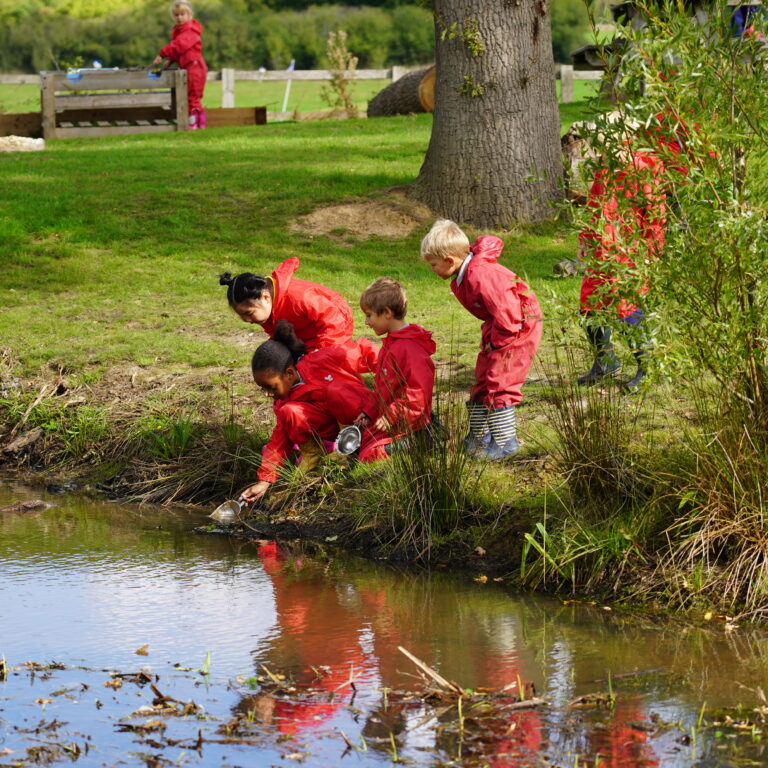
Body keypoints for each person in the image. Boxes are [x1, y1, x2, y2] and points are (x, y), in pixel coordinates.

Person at [421, 220, 542, 460]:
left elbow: (509, 314)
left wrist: (498, 342)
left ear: (449, 260)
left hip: (517, 328)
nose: (432, 270)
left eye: (433, 265)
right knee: (483, 379)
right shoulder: (465, 274)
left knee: (500, 382)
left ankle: (506, 442)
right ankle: (480, 434)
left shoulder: (480, 275)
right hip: (498, 326)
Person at [241, 320, 377, 503]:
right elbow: (278, 442)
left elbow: (363, 352)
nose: (267, 393)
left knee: (335, 390)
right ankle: (313, 456)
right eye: (262, 388)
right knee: (289, 412)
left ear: (289, 373)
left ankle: (351, 445)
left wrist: (393, 374)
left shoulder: (322, 360)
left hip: (363, 416)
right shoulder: (283, 402)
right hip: (332, 428)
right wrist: (264, 480)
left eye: (271, 387)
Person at [577, 147, 666, 392]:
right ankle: (605, 363)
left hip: (629, 251)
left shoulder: (641, 171)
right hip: (601, 251)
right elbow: (593, 208)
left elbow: (656, 215)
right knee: (589, 306)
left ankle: (646, 369)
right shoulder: (603, 171)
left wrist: (652, 252)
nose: (601, 153)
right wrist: (585, 240)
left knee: (627, 309)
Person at [344, 277, 436, 462]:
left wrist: (392, 416)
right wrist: (369, 412)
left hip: (408, 425)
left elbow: (418, 392)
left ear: (386, 313)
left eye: (369, 315)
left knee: (370, 455)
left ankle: (421, 442)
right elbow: (383, 387)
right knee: (362, 445)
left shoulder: (409, 348)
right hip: (393, 420)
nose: (366, 322)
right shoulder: (392, 343)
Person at [219, 257, 354, 352]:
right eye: (241, 316)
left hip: (336, 322)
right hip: (306, 329)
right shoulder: (265, 310)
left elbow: (332, 318)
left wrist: (323, 352)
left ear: (265, 297)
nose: (246, 320)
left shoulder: (298, 298)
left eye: (248, 313)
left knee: (322, 367)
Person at [151, 0, 208, 130]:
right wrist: (170, 60)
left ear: (189, 15)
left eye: (182, 14)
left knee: (192, 98)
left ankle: (195, 124)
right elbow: (180, 51)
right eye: (176, 15)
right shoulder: (181, 31)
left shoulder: (190, 32)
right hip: (190, 67)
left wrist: (162, 54)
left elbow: (178, 45)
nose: (179, 17)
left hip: (195, 68)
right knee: (191, 97)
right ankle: (199, 124)